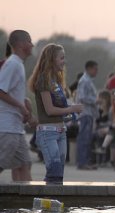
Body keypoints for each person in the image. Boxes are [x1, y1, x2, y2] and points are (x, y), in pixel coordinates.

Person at [28, 43, 83, 184]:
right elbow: (50, 110)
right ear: (51, 59)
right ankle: (48, 202)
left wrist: (72, 110)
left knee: (58, 174)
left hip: (61, 132)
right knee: (55, 172)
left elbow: (60, 108)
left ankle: (52, 203)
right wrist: (72, 109)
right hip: (48, 132)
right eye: (61, 58)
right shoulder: (43, 80)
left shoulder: (56, 81)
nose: (64, 61)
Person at [0, 30, 35, 181]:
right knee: (2, 162)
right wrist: (21, 106)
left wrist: (24, 102)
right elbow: (1, 91)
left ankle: (26, 202)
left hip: (16, 128)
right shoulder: (13, 64)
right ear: (21, 44)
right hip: (7, 127)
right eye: (29, 41)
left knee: (24, 164)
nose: (32, 45)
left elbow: (12, 91)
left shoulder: (18, 64)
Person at [75, 60, 99, 170]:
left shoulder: (88, 80)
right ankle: (82, 162)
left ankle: (85, 161)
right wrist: (95, 100)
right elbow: (82, 97)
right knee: (84, 138)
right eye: (95, 69)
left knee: (87, 138)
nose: (96, 71)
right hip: (85, 112)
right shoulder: (85, 81)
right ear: (89, 68)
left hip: (88, 113)